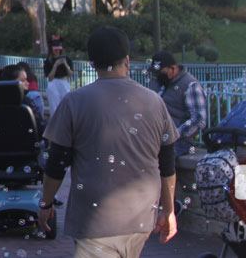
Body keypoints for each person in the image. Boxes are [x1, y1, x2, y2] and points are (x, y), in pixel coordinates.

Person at [38, 26, 178, 258]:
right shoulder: (154, 102)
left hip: (95, 220)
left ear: (92, 64)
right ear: (127, 60)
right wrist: (169, 209)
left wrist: (46, 203)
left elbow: (56, 164)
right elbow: (167, 162)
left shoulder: (74, 102)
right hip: (141, 218)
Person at [149, 50, 208, 158]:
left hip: (179, 140)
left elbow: (198, 119)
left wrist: (174, 134)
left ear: (173, 69)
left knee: (158, 159)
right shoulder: (157, 83)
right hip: (154, 137)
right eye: (155, 73)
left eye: (161, 72)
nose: (157, 76)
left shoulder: (190, 85)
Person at [44, 36, 73, 117]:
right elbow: (49, 78)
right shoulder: (48, 61)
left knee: (66, 104)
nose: (57, 51)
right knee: (54, 106)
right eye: (55, 49)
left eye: (59, 49)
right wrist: (55, 65)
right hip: (53, 83)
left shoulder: (67, 59)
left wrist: (65, 64)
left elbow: (70, 74)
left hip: (64, 82)